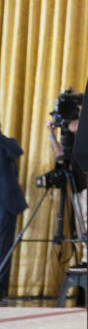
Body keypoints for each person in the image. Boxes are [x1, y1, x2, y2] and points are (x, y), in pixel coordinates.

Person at [0, 125, 28, 299]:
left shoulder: (7, 143)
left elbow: (17, 151)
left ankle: (1, 288)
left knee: (4, 248)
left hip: (6, 204)